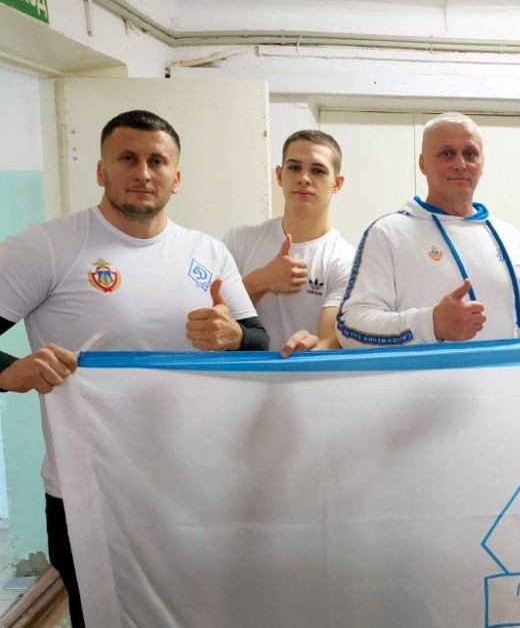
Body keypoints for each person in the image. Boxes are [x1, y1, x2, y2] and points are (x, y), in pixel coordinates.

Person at [0, 109, 268, 626]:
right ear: (101, 171)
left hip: (194, 486)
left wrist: (235, 337)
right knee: (104, 616)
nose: (143, 172)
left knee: (197, 612)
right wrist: (8, 374)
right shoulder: (50, 246)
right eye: (127, 158)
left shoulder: (207, 252)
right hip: (90, 493)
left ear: (176, 177)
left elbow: (259, 343)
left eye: (156, 161)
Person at [337, 112, 520, 346]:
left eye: (470, 154)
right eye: (447, 154)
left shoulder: (511, 238)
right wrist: (430, 324)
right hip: (425, 373)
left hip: (504, 372)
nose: (460, 164)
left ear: (482, 163)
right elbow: (349, 327)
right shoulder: (388, 233)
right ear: (423, 164)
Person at [223, 130, 355, 356]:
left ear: (337, 183)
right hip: (243, 376)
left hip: (306, 376)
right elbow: (211, 318)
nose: (304, 178)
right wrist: (261, 280)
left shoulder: (346, 260)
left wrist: (314, 348)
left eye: (318, 170)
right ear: (279, 175)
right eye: (294, 167)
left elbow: (329, 338)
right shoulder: (239, 240)